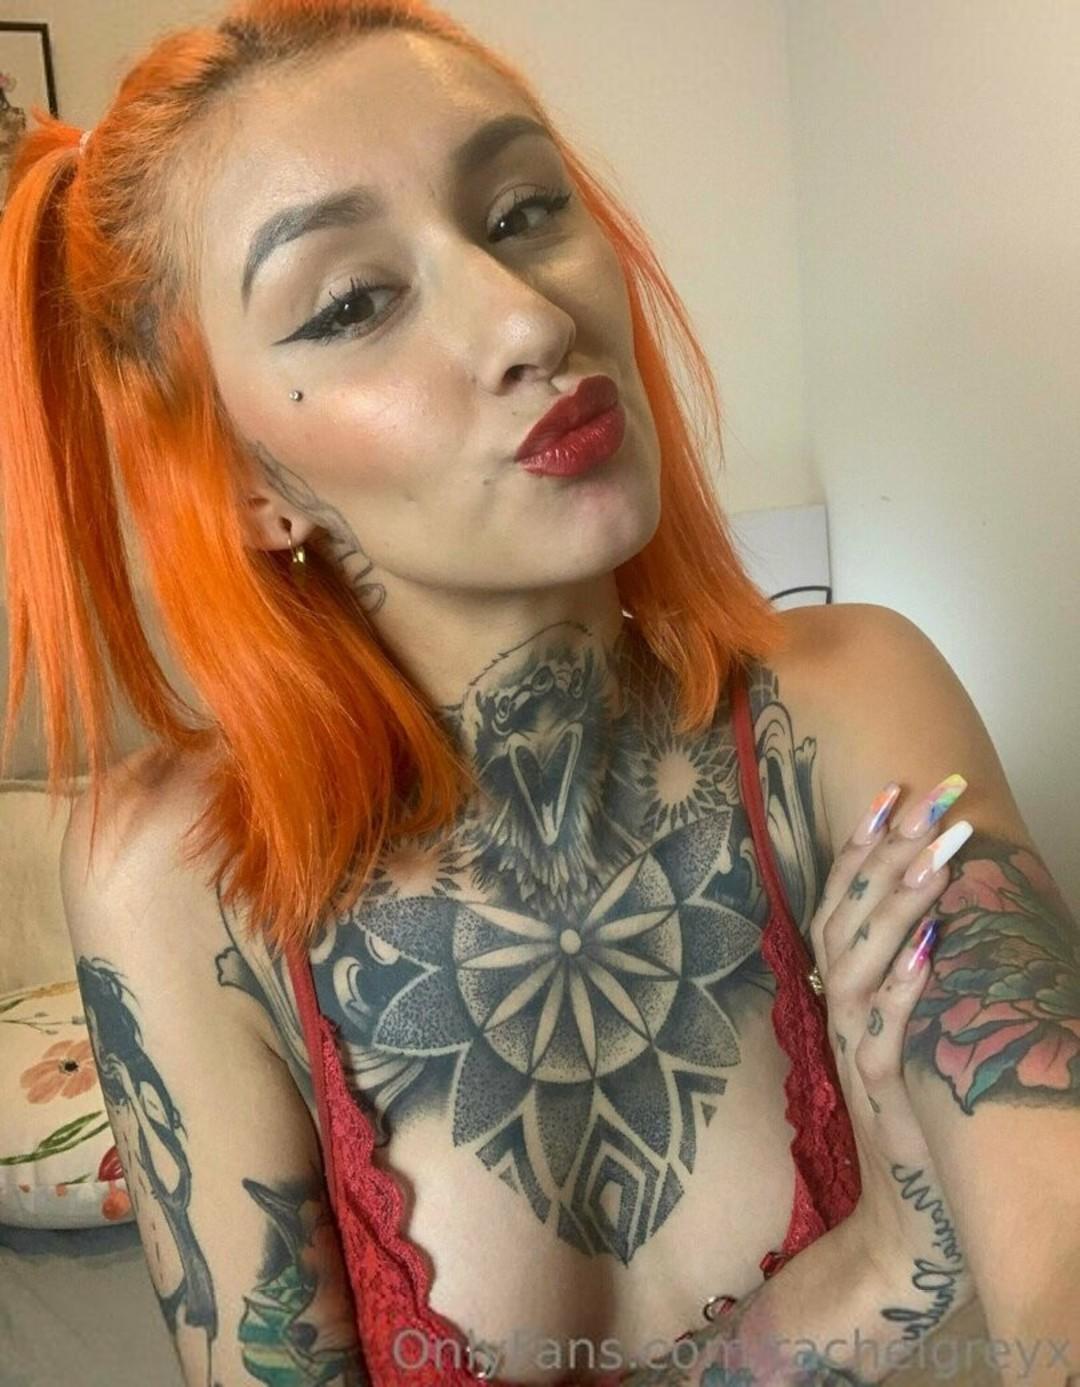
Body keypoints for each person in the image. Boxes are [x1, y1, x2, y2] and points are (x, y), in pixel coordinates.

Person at [1, 1, 1076, 1384]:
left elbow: (1057, 1231)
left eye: (521, 212)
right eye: (352, 304)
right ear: (247, 485)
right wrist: (876, 1270)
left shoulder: (850, 699)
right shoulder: (180, 878)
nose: (529, 316)